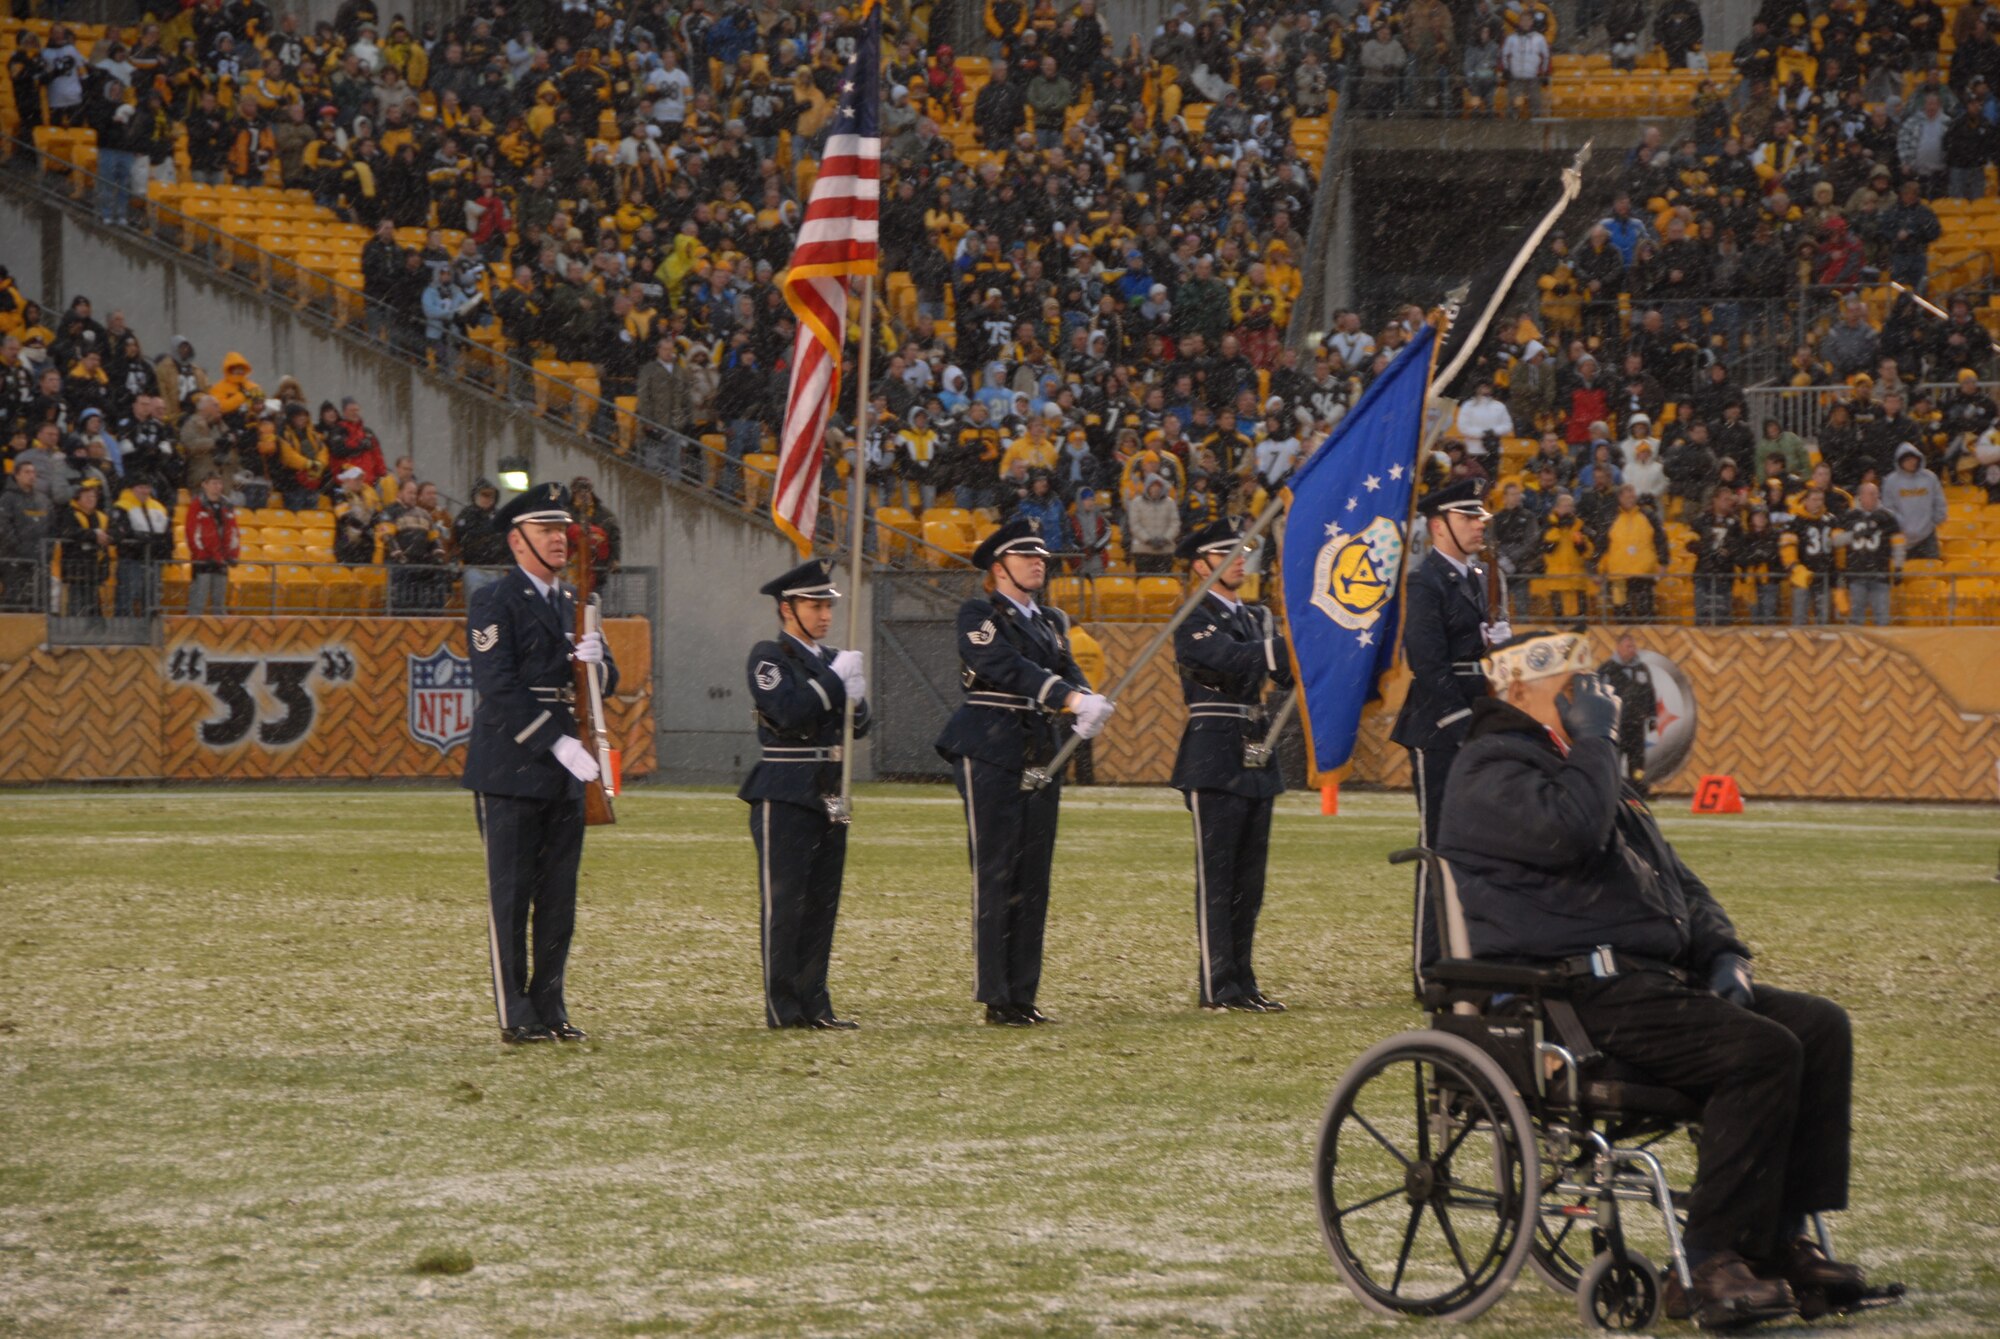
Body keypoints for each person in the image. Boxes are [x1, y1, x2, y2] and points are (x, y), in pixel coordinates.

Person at [1437, 630, 1890, 1329]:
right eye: (1571, 675)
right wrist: (1597, 743)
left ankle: (1776, 1245)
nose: (1589, 687)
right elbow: (1572, 833)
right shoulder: (1486, 768)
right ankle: (1708, 1261)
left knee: (1818, 1026)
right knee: (1761, 1052)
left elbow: (1676, 879)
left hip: (1649, 982)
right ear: (1516, 687)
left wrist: (1724, 952)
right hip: (1573, 993)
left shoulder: (1582, 766)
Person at [935, 518, 1114, 1026]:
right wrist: (1067, 696)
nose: (1038, 562)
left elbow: (1067, 668)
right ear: (999, 567)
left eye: (1042, 557)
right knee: (997, 871)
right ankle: (996, 994)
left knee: (1033, 876)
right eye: (1025, 556)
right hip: (990, 745)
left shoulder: (1051, 620)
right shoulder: (979, 612)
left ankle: (1023, 993)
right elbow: (1003, 665)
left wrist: (1088, 698)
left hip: (1040, 748)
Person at [461, 482, 618, 1045]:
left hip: (567, 770)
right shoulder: (493, 601)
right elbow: (497, 685)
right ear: (517, 541)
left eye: (562, 529)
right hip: (512, 763)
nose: (560, 538)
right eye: (547, 530)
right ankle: (516, 1011)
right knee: (512, 893)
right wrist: (555, 741)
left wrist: (598, 665)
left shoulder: (577, 602)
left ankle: (551, 1004)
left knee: (558, 896)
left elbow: (607, 682)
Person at [740, 557, 871, 1031]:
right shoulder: (768, 657)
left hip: (829, 793)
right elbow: (789, 710)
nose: (825, 615)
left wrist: (852, 691)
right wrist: (837, 682)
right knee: (785, 905)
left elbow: (861, 725)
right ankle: (784, 1007)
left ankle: (817, 1004)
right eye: (814, 605)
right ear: (786, 608)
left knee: (821, 906)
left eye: (827, 605)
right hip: (785, 789)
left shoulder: (831, 658)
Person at [1390, 479, 1509, 990]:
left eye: (1479, 516)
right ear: (1439, 526)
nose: (1479, 523)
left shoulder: (1474, 576)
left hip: (1474, 717)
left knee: (1474, 846)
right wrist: (1461, 725)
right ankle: (1429, 966)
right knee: (1439, 845)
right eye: (1468, 517)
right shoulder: (1426, 581)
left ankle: (1465, 957)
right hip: (1441, 727)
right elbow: (1428, 661)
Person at [1170, 519, 1292, 1013]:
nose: (1241, 559)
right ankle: (1216, 983)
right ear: (1202, 564)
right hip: (1214, 749)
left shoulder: (1257, 616)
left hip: (1255, 748)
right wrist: (1288, 644)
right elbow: (1230, 658)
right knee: (1218, 879)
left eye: (1243, 551)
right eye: (1227, 552)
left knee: (1249, 881)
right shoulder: (1193, 615)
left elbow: (1280, 671)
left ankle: (1243, 980)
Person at [1837, 481, 1903, 627]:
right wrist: (1855, 535)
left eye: (1875, 494)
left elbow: (1898, 543)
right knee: (1856, 617)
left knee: (1882, 618)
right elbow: (1836, 541)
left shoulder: (1887, 517)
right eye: (1870, 494)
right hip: (1856, 573)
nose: (1874, 497)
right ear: (1861, 496)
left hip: (1880, 573)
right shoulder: (1850, 516)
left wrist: (1898, 566)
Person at [1597, 632, 1656, 794]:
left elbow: (1649, 693)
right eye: (1628, 646)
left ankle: (1638, 788)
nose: (1632, 650)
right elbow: (1598, 695)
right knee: (1614, 757)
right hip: (1615, 724)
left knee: (1637, 760)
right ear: (1619, 647)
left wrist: (1652, 716)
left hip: (1636, 724)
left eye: (1634, 646)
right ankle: (1612, 788)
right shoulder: (1607, 669)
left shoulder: (1641, 669)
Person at [111, 477, 172, 618]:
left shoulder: (158, 507)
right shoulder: (122, 506)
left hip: (153, 560)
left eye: (147, 487)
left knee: (151, 599)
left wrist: (165, 550)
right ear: (132, 489)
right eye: (141, 487)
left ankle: (149, 631)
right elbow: (122, 532)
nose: (145, 491)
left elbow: (167, 532)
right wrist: (143, 539)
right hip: (131, 559)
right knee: (127, 597)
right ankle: (124, 629)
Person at [54, 479, 112, 620]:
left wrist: (108, 537)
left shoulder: (101, 517)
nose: (91, 500)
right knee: (76, 604)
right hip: (76, 568)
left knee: (93, 605)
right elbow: (68, 531)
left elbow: (114, 532)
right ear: (78, 498)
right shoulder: (69, 513)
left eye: (93, 497)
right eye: (87, 497)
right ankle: (73, 633)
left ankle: (93, 635)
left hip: (95, 569)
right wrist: (93, 535)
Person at [184, 472, 240, 615]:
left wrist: (232, 554)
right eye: (213, 483)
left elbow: (233, 531)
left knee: (219, 601)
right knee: (198, 599)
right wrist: (201, 555)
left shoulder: (227, 505)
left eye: (219, 483)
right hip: (203, 560)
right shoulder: (197, 505)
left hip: (221, 559)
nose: (217, 487)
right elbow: (192, 532)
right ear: (205, 485)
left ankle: (219, 633)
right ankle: (191, 629)